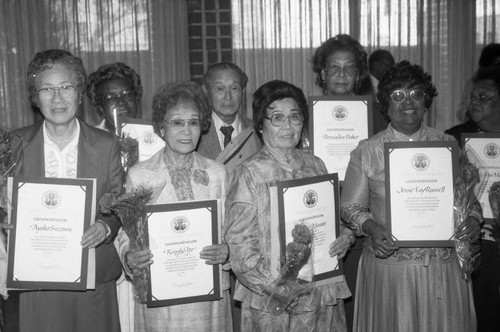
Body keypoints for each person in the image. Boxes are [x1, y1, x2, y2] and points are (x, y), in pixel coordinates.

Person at [341, 60, 480, 332]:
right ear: (386, 104)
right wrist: (371, 228)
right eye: (397, 95)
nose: (408, 102)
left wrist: (473, 220)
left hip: (442, 268)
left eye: (416, 94)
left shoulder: (448, 145)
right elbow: (350, 207)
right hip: (391, 268)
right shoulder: (368, 151)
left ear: (426, 101)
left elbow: (468, 201)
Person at [224, 80, 353, 331]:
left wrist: (344, 238)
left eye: (295, 117)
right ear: (261, 125)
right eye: (277, 118)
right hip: (272, 298)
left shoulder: (316, 164)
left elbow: (333, 221)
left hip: (320, 290)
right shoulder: (248, 173)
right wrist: (274, 287)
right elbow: (238, 244)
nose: (287, 126)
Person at [9, 49, 123, 331]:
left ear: (80, 92)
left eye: (66, 87)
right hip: (36, 279)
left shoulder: (106, 144)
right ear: (35, 98)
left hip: (93, 277)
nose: (57, 98)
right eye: (47, 89)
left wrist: (105, 227)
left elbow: (120, 201)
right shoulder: (13, 145)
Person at [119, 81, 232, 331]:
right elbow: (126, 235)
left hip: (208, 296)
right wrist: (129, 256)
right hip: (160, 299)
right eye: (177, 123)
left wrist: (227, 253)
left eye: (193, 122)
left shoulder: (217, 173)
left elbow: (231, 231)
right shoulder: (140, 176)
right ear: (161, 127)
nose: (186, 131)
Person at [86, 61, 143, 332]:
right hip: (106, 258)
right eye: (110, 97)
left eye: (127, 95)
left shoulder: (160, 139)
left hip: (150, 255)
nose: (120, 102)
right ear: (98, 106)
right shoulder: (87, 144)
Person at [446, 66, 500, 332]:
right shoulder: (454, 139)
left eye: (484, 97)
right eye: (473, 97)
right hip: (476, 248)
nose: (474, 102)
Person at [197, 62, 262, 174]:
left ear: (242, 92)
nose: (228, 97)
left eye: (234, 88)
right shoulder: (196, 132)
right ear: (205, 91)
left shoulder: (258, 132)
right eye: (220, 89)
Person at [86, 62, 143, 132]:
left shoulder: (152, 138)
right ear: (100, 107)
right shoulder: (91, 140)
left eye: (127, 94)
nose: (121, 102)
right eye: (111, 98)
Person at [456, 43, 500, 122]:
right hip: (475, 131)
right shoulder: (472, 85)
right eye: (495, 64)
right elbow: (461, 113)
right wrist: (469, 112)